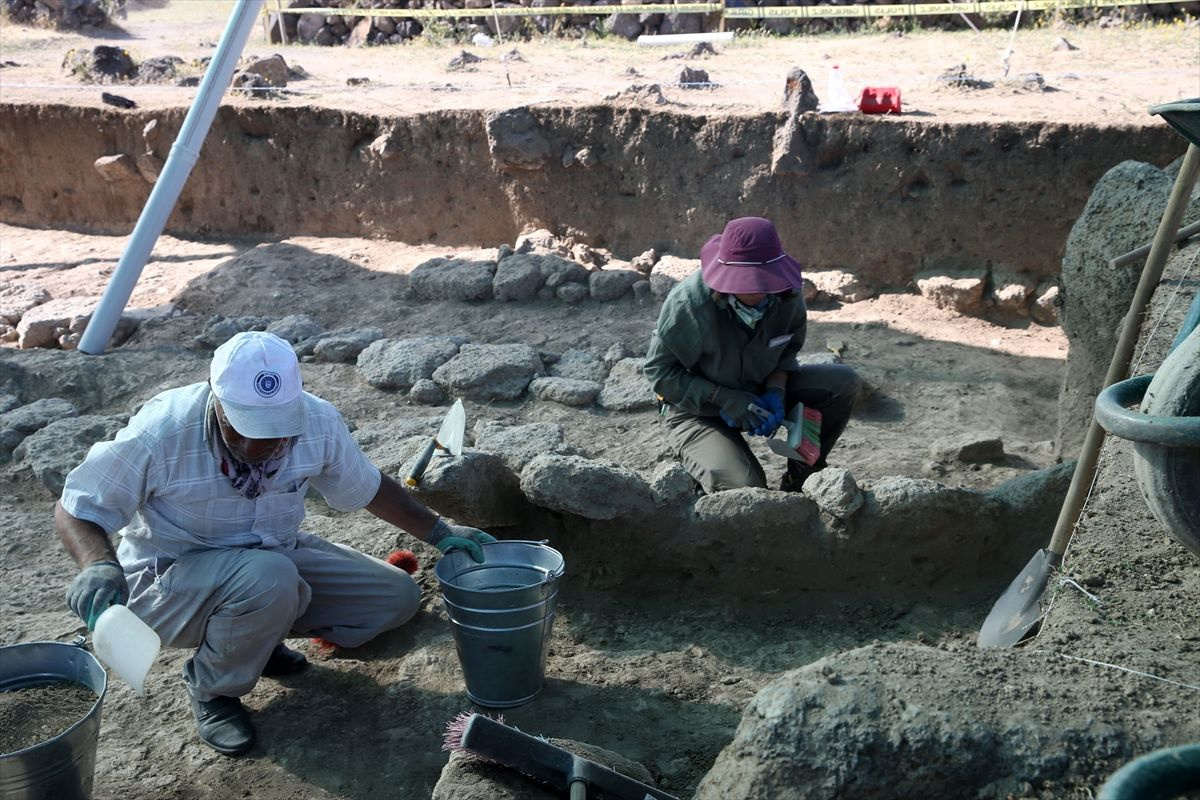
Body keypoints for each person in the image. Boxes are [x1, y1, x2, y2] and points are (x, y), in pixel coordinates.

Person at [56, 331, 495, 757]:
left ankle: (255, 642)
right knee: (269, 579)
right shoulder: (164, 430)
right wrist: (97, 563)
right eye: (238, 428)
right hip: (172, 584)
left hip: (271, 561)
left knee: (394, 597)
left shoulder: (317, 421)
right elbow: (76, 506)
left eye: (270, 432)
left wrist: (440, 532)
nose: (252, 445)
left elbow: (368, 486)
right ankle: (213, 689)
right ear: (215, 395)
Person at [643, 216, 861, 494]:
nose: (759, 290)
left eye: (765, 279)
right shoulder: (689, 304)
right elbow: (660, 375)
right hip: (697, 410)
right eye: (748, 282)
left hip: (758, 390)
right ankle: (705, 464)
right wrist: (722, 397)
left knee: (843, 383)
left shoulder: (787, 295)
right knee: (747, 489)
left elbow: (785, 355)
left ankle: (803, 480)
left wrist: (776, 393)